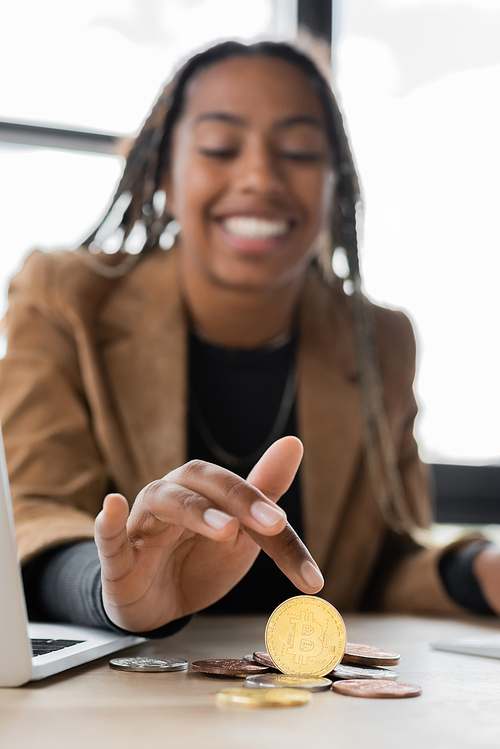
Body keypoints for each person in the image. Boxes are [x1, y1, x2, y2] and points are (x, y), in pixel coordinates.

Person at [2, 40, 500, 638]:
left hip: (316, 711)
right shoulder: (66, 297)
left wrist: (479, 572)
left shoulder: (377, 339)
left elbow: (386, 560)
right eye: (219, 146)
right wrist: (109, 584)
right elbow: (28, 513)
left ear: (333, 182)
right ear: (163, 169)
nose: (261, 177)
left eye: (298, 150)